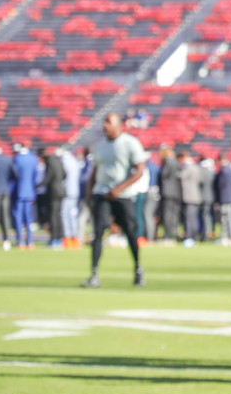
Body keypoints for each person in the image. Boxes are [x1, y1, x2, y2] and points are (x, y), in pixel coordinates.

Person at [82, 113, 149, 287]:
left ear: (119, 125)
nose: (105, 125)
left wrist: (119, 188)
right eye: (104, 122)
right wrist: (90, 194)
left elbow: (139, 170)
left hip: (123, 195)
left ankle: (137, 268)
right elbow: (95, 172)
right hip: (102, 193)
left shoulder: (130, 143)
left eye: (109, 122)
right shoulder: (100, 145)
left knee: (130, 232)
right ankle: (94, 274)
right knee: (98, 232)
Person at [12, 144, 39, 249]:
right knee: (29, 217)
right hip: (29, 192)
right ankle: (30, 241)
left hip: (18, 192)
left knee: (18, 217)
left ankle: (20, 241)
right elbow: (34, 177)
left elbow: (13, 177)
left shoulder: (16, 159)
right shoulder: (33, 159)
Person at [177, 148, 204, 244]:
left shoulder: (187, 168)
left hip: (188, 196)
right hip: (195, 196)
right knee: (193, 218)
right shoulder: (196, 167)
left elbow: (180, 176)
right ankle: (194, 235)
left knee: (189, 218)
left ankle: (189, 236)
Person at [41, 148, 66, 249]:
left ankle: (54, 239)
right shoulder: (59, 161)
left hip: (53, 192)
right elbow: (65, 175)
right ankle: (60, 237)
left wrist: (38, 186)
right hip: (61, 190)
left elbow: (48, 178)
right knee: (58, 215)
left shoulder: (50, 162)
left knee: (53, 216)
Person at [59, 146, 82, 249]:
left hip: (67, 192)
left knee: (65, 215)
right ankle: (75, 238)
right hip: (75, 191)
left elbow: (63, 178)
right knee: (72, 215)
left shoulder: (64, 162)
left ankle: (68, 238)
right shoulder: (74, 161)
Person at [158, 146, 181, 243]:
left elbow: (164, 175)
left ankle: (168, 235)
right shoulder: (175, 162)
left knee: (167, 214)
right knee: (172, 214)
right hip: (175, 192)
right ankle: (171, 234)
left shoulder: (167, 161)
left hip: (167, 192)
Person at [214, 152, 231, 245]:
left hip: (224, 198)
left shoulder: (223, 171)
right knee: (230, 219)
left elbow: (221, 186)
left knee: (225, 218)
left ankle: (225, 237)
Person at [0, 146, 13, 250]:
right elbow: (15, 174)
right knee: (5, 217)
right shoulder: (7, 159)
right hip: (5, 191)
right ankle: (6, 240)